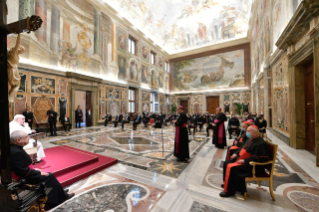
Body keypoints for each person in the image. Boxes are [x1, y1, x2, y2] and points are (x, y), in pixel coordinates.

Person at [9, 130, 74, 210]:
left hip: (24, 174)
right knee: (50, 176)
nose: (29, 138)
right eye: (26, 137)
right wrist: (37, 173)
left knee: (48, 174)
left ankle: (60, 192)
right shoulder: (16, 152)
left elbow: (22, 166)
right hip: (22, 179)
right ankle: (61, 198)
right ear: (18, 140)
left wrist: (36, 169)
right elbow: (22, 171)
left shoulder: (15, 148)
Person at [220, 126, 271, 197]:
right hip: (246, 163)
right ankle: (227, 183)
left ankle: (230, 191)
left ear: (255, 133)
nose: (247, 133)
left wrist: (245, 160)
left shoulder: (261, 143)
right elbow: (242, 148)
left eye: (248, 131)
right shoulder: (251, 139)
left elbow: (262, 159)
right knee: (226, 163)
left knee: (232, 168)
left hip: (253, 166)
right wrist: (236, 153)